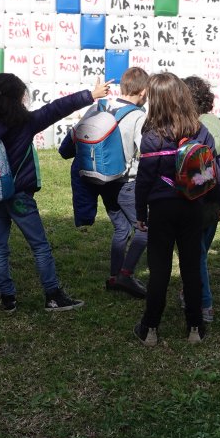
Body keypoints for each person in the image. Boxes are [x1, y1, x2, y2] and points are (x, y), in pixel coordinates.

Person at [0, 73, 109, 314]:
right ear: (17, 98)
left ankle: (7, 298)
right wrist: (90, 95)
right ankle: (53, 295)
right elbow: (56, 108)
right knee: (39, 246)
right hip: (19, 195)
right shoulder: (25, 123)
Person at [133, 73, 220, 345]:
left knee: (159, 270)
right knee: (191, 268)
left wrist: (140, 214)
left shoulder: (152, 136)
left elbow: (143, 180)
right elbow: (209, 175)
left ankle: (150, 328)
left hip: (161, 210)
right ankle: (195, 328)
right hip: (193, 208)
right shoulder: (200, 131)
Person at [82, 66, 150, 298]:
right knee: (145, 229)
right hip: (127, 182)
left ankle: (114, 277)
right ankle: (126, 275)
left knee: (121, 228)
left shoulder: (99, 106)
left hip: (101, 180)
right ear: (143, 92)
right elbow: (145, 151)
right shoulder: (139, 116)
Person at [183, 76, 220, 323]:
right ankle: (190, 291)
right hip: (219, 200)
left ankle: (204, 304)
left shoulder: (196, 129)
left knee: (197, 253)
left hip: (199, 199)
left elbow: (195, 169)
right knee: (200, 249)